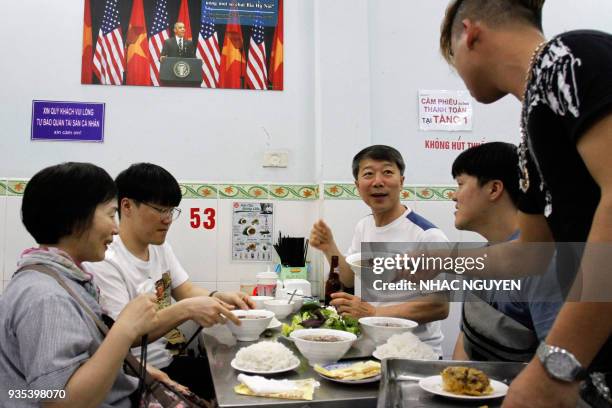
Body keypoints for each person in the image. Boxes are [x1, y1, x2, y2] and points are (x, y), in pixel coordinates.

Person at [439, 1, 612, 406]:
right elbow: (531, 254)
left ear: (470, 33)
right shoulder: (530, 137)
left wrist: (556, 365)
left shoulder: (568, 57)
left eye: (452, 57)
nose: (457, 73)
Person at [85, 163, 253, 400]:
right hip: (133, 374)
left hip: (166, 361)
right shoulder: (106, 259)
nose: (168, 220)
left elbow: (185, 289)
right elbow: (126, 336)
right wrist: (186, 310)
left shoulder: (160, 247)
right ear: (127, 206)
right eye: (160, 209)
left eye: (171, 211)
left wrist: (217, 298)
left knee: (237, 378)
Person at [0, 162, 161, 407]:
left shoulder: (64, 279)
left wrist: (133, 372)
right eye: (110, 214)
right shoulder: (46, 296)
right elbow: (59, 401)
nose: (116, 229)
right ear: (75, 219)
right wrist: (126, 328)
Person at [310, 145, 450, 356]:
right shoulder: (364, 226)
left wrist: (374, 313)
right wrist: (329, 247)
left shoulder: (426, 235)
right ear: (357, 185)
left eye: (387, 172)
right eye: (368, 174)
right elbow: (348, 279)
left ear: (401, 181)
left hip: (414, 353)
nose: (377, 181)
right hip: (371, 348)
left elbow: (438, 306)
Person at [449, 142, 562, 362]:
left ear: (493, 189)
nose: (453, 196)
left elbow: (560, 362)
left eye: (460, 184)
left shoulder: (544, 263)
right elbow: (466, 342)